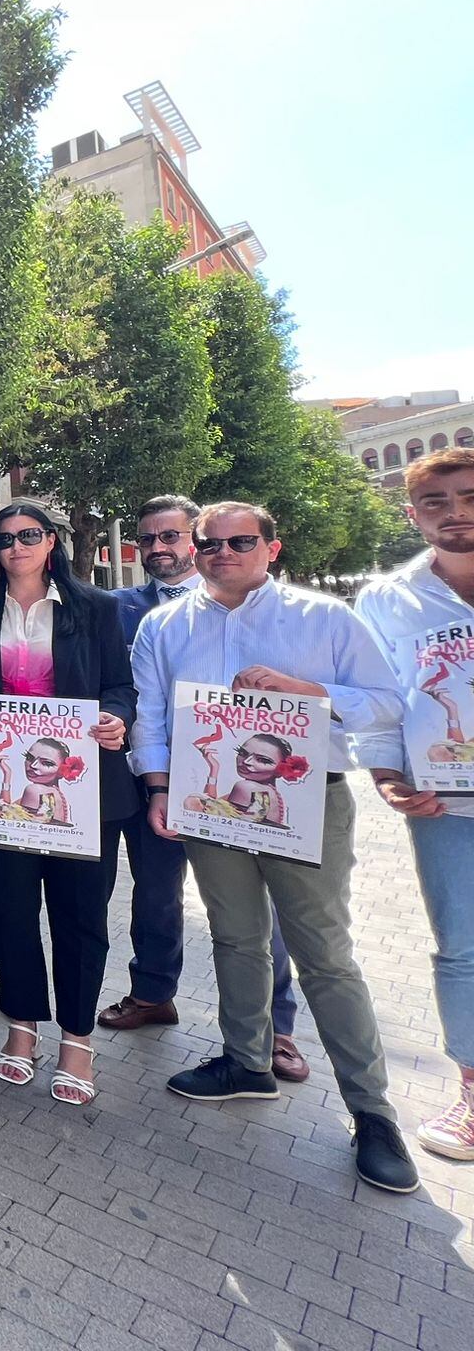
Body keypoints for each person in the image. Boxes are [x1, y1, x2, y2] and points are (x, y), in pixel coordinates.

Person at [130, 500, 416, 1193]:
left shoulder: (323, 619)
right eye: (211, 542)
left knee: (323, 954)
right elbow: (152, 714)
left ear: (271, 547)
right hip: (208, 801)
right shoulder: (162, 626)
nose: (223, 552)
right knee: (235, 938)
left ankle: (373, 1114)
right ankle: (246, 1061)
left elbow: (388, 700)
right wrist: (160, 789)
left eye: (241, 541)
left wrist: (305, 690)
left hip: (308, 799)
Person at [99, 496, 306, 1082]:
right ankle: (152, 992)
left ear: (196, 540)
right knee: (156, 893)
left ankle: (278, 1028)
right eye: (146, 539)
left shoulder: (253, 605)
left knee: (257, 909)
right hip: (157, 777)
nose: (158, 548)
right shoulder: (118, 607)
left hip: (245, 780)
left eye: (171, 536)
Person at [0, 505, 135, 1106]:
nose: (17, 546)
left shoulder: (94, 607)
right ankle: (22, 1025)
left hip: (81, 792)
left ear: (51, 542)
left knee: (80, 916)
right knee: (10, 911)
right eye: (5, 539)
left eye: (29, 536)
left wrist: (116, 719)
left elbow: (120, 684)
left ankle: (77, 1038)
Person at [358, 446, 474, 1160]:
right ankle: (472, 1095)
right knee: (461, 949)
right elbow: (379, 703)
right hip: (446, 804)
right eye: (437, 502)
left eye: (467, 496)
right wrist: (385, 775)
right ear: (412, 515)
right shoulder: (388, 599)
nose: (456, 513)